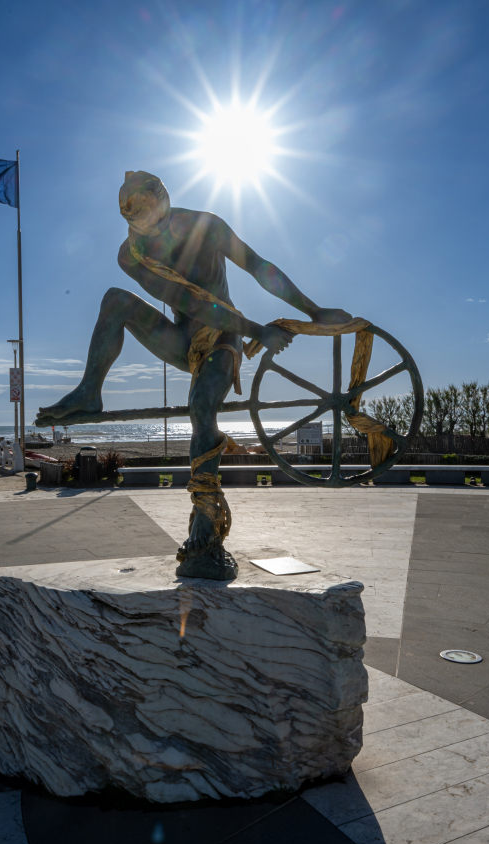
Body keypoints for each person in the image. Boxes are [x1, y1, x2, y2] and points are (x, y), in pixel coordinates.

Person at [37, 171, 350, 578]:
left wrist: (313, 311)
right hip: (185, 337)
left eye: (155, 217)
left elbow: (258, 267)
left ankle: (205, 530)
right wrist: (259, 331)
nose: (152, 229)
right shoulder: (130, 254)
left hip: (224, 335)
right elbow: (184, 299)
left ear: (164, 201)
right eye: (138, 223)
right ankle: (89, 391)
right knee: (115, 300)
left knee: (202, 405)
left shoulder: (208, 226)